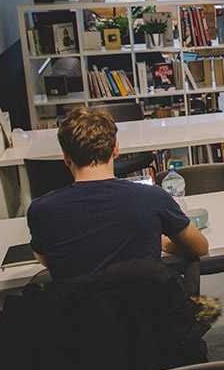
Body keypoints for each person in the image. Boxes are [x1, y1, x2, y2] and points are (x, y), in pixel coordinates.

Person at [26, 107, 208, 282]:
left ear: (66, 157)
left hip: (78, 312)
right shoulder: (152, 198)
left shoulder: (41, 210)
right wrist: (161, 242)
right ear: (115, 149)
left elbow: (46, 258)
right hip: (145, 311)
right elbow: (199, 246)